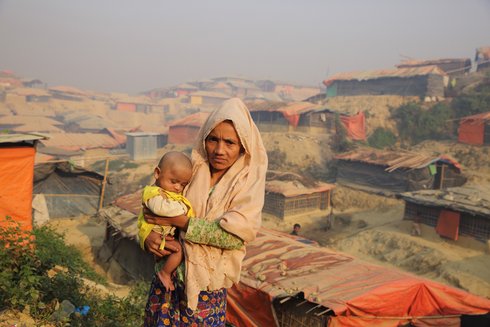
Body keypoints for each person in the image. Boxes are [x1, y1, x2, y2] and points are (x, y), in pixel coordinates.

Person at [142, 98, 268, 326]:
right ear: (204, 138)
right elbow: (151, 208)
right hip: (166, 285)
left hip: (205, 295)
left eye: (230, 142)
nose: (219, 150)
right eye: (213, 139)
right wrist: (147, 236)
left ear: (243, 146)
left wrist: (181, 221)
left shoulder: (246, 187)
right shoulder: (188, 172)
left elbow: (231, 238)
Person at [137, 151, 194, 291]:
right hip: (157, 232)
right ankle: (165, 273)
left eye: (183, 184)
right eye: (173, 181)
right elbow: (162, 209)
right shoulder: (154, 193)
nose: (177, 188)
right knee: (178, 250)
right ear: (157, 173)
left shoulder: (168, 192)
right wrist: (182, 211)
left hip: (163, 234)